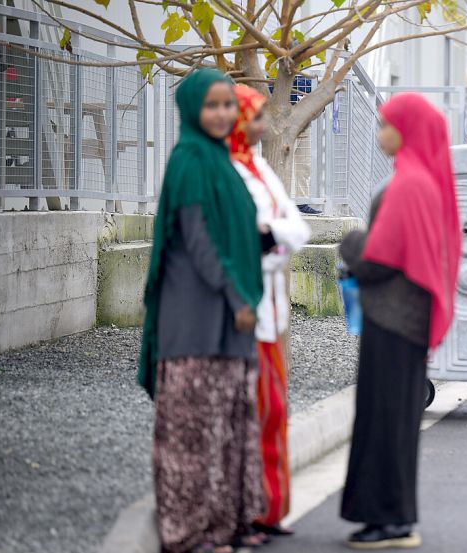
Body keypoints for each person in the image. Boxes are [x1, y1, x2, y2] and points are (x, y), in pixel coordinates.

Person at [138, 68, 266, 553]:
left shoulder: (221, 161)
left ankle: (224, 526)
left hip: (232, 319)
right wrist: (238, 298)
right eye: (212, 105)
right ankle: (188, 534)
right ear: (193, 108)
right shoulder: (190, 160)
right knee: (192, 438)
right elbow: (199, 240)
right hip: (196, 319)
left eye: (227, 105)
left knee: (228, 431)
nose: (221, 114)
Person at [338, 92, 461, 549]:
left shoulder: (408, 183)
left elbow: (375, 259)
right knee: (394, 418)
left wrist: (349, 242)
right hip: (407, 319)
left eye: (386, 124)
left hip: (392, 319)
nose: (380, 132)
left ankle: (390, 520)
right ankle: (392, 516)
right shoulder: (422, 179)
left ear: (406, 130)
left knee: (386, 418)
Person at [228, 84, 312, 537]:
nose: (263, 125)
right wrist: (271, 236)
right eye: (255, 116)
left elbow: (297, 228)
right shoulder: (227, 172)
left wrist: (270, 233)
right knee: (251, 412)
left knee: (274, 409)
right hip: (246, 309)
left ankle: (269, 507)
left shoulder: (258, 166)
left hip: (272, 308)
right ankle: (248, 510)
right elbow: (245, 237)